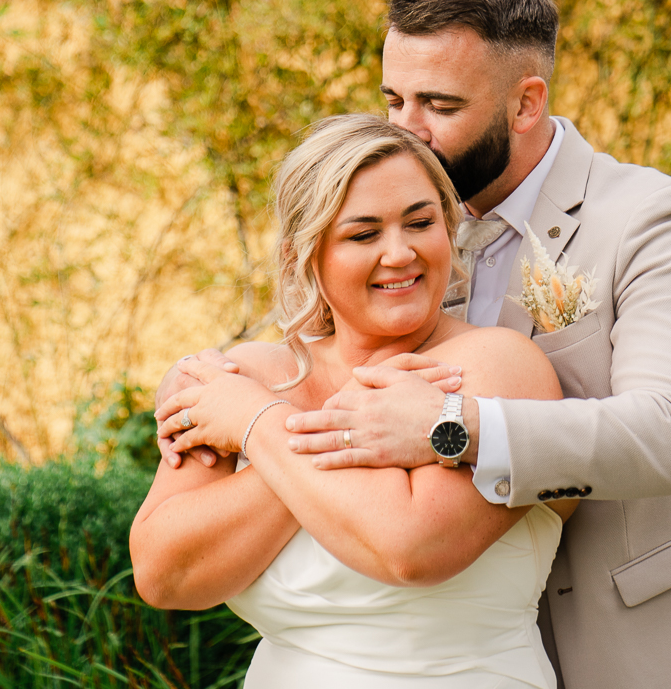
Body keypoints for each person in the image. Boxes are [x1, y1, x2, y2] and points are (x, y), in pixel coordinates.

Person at [157, 0, 671, 689]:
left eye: (437, 103)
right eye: (394, 99)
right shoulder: (409, 217)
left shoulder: (646, 218)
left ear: (526, 103)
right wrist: (228, 389)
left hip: (627, 632)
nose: (406, 129)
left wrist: (451, 426)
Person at [131, 113, 576, 687]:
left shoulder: (499, 366)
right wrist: (311, 421)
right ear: (303, 256)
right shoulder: (247, 373)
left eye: (420, 222)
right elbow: (165, 575)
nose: (400, 253)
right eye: (363, 234)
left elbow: (411, 549)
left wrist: (261, 427)